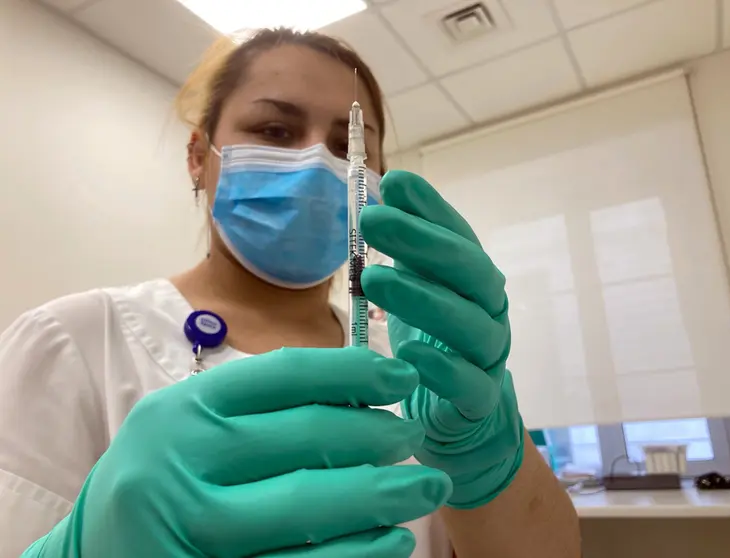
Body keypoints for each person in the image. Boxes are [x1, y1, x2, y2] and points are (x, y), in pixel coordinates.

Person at [0, 28, 580, 558]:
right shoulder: (75, 341)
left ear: (373, 177)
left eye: (345, 146)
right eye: (275, 131)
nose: (313, 162)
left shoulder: (413, 365)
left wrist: (485, 459)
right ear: (199, 158)